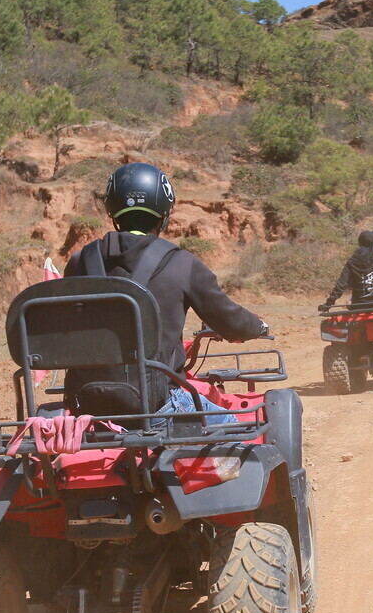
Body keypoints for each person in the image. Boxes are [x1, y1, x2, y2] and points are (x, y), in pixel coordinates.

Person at [64, 162, 268, 425]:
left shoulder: (79, 261)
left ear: (113, 210)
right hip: (157, 408)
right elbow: (230, 321)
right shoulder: (182, 263)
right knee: (237, 428)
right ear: (165, 213)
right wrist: (257, 326)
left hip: (84, 406)